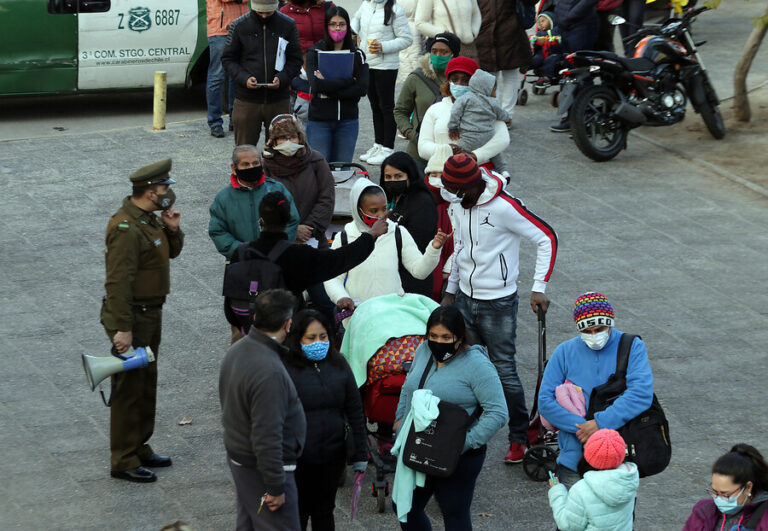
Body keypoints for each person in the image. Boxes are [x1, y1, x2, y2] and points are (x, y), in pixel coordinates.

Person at [440, 153, 558, 465]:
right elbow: (461, 248)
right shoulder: (456, 204)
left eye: (458, 191)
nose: (453, 197)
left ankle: (518, 436)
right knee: (468, 366)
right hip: (464, 297)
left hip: (498, 303)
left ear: (471, 186)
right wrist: (450, 292)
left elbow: (546, 238)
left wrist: (539, 287)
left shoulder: (505, 206)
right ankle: (470, 427)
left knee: (504, 369)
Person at [101, 158, 184, 483]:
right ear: (150, 192)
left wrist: (173, 229)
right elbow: (118, 283)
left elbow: (169, 253)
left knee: (146, 383)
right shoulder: (125, 228)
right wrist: (123, 329)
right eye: (164, 188)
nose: (168, 193)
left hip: (150, 314)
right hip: (133, 316)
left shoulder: (148, 221)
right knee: (129, 390)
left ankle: (139, 446)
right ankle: (123, 459)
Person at [391, 306, 508, 529]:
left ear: (460, 336)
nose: (438, 342)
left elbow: (498, 412)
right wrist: (399, 420)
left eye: (446, 337)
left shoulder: (478, 365)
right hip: (420, 444)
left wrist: (464, 442)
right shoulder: (424, 350)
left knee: (454, 513)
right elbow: (408, 388)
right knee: (404, 506)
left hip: (459, 457)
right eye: (433, 336)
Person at [538, 292, 654, 489]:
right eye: (587, 331)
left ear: (610, 323)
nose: (594, 336)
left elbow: (641, 393)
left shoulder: (632, 346)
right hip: (575, 458)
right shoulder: (564, 352)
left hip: (617, 457)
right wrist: (583, 427)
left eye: (599, 329)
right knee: (571, 519)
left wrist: (599, 424)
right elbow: (545, 401)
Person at [228, 191, 387, 329]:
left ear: (261, 220)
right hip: (283, 339)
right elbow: (340, 259)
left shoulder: (240, 252)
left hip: (248, 333)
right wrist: (371, 234)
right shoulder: (298, 255)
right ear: (290, 218)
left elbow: (230, 300)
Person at [219, 289, 307, 530]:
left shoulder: (236, 351)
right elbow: (267, 436)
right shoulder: (269, 371)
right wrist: (275, 487)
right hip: (264, 470)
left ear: (255, 318)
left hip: (242, 460)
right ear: (288, 325)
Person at [282, 309, 368, 531]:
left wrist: (360, 453)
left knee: (324, 512)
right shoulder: (285, 368)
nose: (318, 342)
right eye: (311, 338)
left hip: (331, 456)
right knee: (297, 514)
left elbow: (355, 409)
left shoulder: (339, 364)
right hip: (298, 459)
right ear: (298, 338)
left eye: (323, 337)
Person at [209, 145, 301, 342]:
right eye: (246, 164)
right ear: (234, 168)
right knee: (240, 327)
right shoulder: (223, 198)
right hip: (241, 269)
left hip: (276, 266)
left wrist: (277, 248)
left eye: (255, 163)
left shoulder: (276, 189)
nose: (252, 167)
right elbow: (217, 231)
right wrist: (241, 251)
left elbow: (292, 221)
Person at [324, 177, 448, 313]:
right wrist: (341, 297)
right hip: (357, 316)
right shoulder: (344, 237)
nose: (381, 215)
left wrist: (434, 249)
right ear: (358, 210)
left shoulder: (397, 232)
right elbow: (332, 277)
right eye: (374, 210)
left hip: (392, 316)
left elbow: (419, 271)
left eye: (384, 209)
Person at [222, 1, 303, 146]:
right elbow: (228, 60)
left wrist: (282, 78)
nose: (264, 16)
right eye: (260, 12)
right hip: (246, 100)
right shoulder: (239, 25)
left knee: (281, 152)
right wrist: (244, 78)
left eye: (269, 12)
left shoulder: (288, 24)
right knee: (245, 152)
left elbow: (296, 60)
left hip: (279, 100)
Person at [418, 57, 510, 173]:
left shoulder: (487, 106)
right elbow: (422, 147)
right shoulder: (435, 109)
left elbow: (502, 139)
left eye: (465, 81)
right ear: (448, 82)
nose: (459, 85)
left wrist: (474, 156)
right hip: (441, 171)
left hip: (479, 171)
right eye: (454, 80)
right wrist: (447, 150)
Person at [352, 0, 413, 165]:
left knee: (386, 106)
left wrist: (384, 46)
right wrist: (355, 34)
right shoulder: (366, 5)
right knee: (375, 106)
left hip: (386, 66)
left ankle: (388, 148)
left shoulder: (395, 10)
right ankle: (378, 144)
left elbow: (407, 39)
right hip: (367, 63)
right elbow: (355, 21)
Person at [306, 6, 370, 164]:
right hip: (320, 121)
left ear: (348, 27)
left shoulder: (358, 54)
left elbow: (361, 89)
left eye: (342, 24)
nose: (337, 28)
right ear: (326, 26)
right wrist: (349, 81)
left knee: (342, 168)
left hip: (347, 121)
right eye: (333, 24)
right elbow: (316, 86)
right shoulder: (314, 52)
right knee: (320, 168)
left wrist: (328, 87)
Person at [261, 115, 334, 249]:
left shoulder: (316, 160)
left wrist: (309, 229)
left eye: (293, 137)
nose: (288, 142)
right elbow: (262, 205)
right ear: (274, 141)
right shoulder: (265, 166)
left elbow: (326, 198)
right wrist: (292, 230)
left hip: (313, 238)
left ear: (300, 137)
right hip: (279, 241)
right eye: (283, 138)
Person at [548, 429, 639, 530]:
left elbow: (567, 525)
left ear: (588, 455)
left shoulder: (581, 490)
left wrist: (556, 490)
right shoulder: (630, 480)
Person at [394, 32, 461, 168]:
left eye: (444, 52)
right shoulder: (416, 78)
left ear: (453, 54)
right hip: (419, 153)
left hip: (456, 153)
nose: (438, 56)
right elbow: (400, 111)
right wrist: (410, 133)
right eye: (434, 51)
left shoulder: (463, 80)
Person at [379, 151, 438, 298]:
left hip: (412, 281)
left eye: (398, 176)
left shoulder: (423, 203)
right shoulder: (386, 199)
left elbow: (418, 244)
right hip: (390, 277)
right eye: (388, 177)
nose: (392, 181)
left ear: (410, 176)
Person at [474, 0, 538, 118]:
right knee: (491, 77)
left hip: (511, 32)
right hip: (484, 32)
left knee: (510, 74)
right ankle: (494, 112)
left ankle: (507, 114)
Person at [684, 444, 768, 530]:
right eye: (715, 492)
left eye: (725, 494)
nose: (719, 499)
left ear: (748, 487)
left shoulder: (764, 517)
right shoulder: (703, 511)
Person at [447, 69, 510, 175]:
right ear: (486, 88)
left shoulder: (464, 98)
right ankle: (503, 171)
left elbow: (455, 113)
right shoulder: (492, 102)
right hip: (487, 136)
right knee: (496, 153)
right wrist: (507, 118)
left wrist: (452, 127)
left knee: (459, 154)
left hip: (469, 137)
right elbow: (503, 115)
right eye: (494, 90)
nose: (494, 94)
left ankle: (456, 171)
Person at [550, 0, 599, 133]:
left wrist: (570, 16)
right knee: (569, 72)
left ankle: (585, 120)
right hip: (565, 24)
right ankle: (571, 118)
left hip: (581, 25)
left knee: (582, 74)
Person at [205, 0, 249, 138]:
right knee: (217, 76)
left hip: (242, 26)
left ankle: (235, 119)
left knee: (237, 76)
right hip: (220, 28)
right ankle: (215, 122)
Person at [423, 144, 455, 301]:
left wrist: (449, 266)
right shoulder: (422, 201)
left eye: (441, 175)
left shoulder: (457, 204)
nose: (436, 180)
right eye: (432, 174)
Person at [414, 0, 481, 60]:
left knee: (469, 72)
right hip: (444, 49)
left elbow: (476, 14)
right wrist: (444, 33)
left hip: (468, 47)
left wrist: (473, 32)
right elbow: (420, 23)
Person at [529, 12, 564, 88]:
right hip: (542, 53)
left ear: (551, 21)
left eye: (543, 21)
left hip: (554, 53)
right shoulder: (539, 33)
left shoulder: (556, 31)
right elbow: (534, 39)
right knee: (536, 58)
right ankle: (526, 65)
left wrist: (550, 40)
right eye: (538, 22)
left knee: (550, 60)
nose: (540, 23)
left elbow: (559, 40)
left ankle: (546, 77)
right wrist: (534, 39)